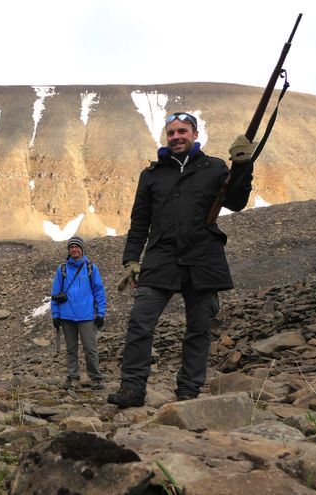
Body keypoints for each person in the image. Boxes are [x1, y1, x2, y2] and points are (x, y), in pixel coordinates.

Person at [107, 112, 255, 408]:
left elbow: (236, 202)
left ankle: (189, 390)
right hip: (161, 256)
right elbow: (140, 222)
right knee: (140, 322)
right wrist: (131, 260)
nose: (176, 137)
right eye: (171, 132)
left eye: (182, 131)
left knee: (199, 327)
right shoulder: (151, 175)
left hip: (203, 257)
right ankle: (133, 388)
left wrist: (243, 166)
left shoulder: (214, 168)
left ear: (195, 134)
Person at [50, 236, 107, 391]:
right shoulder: (62, 269)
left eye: (77, 247)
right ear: (69, 250)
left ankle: (95, 378)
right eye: (71, 247)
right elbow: (55, 293)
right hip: (67, 316)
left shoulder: (91, 268)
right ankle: (73, 377)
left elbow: (99, 292)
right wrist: (55, 314)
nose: (74, 249)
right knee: (71, 349)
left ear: (82, 249)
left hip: (86, 316)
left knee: (90, 348)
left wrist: (100, 313)